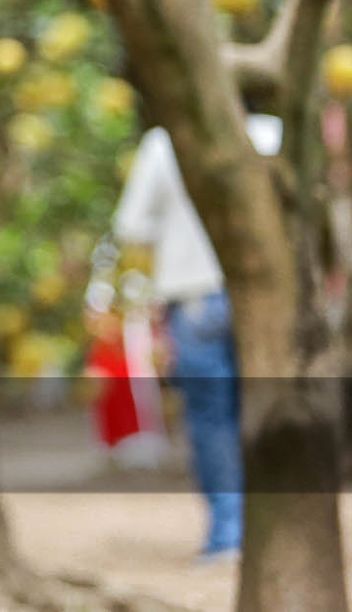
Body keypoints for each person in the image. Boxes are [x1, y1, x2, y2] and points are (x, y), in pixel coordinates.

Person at [112, 111, 281, 561]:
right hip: (267, 299)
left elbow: (132, 228)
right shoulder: (273, 134)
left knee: (212, 418)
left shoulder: (164, 144)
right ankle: (273, 528)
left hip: (195, 297)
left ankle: (230, 531)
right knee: (267, 407)